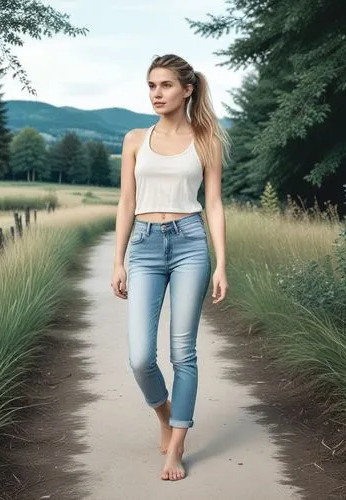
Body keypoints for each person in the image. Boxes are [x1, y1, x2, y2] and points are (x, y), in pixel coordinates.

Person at [111, 53, 229, 482]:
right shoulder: (134, 139)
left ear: (187, 89)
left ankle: (176, 447)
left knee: (183, 352)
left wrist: (221, 264)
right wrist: (117, 260)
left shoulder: (206, 139)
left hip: (190, 245)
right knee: (141, 356)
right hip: (143, 244)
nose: (156, 94)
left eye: (164, 86)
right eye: (151, 86)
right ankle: (164, 412)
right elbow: (126, 201)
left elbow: (213, 204)